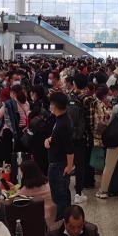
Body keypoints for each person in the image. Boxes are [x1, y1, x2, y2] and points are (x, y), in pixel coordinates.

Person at [44, 91, 75, 221]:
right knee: (62, 193)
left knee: (59, 195)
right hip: (58, 161)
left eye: (51, 104)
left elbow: (69, 147)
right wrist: (48, 140)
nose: (50, 106)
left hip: (59, 164)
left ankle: (62, 221)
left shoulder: (63, 123)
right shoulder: (62, 119)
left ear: (55, 105)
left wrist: (69, 165)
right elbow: (58, 139)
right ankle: (66, 218)